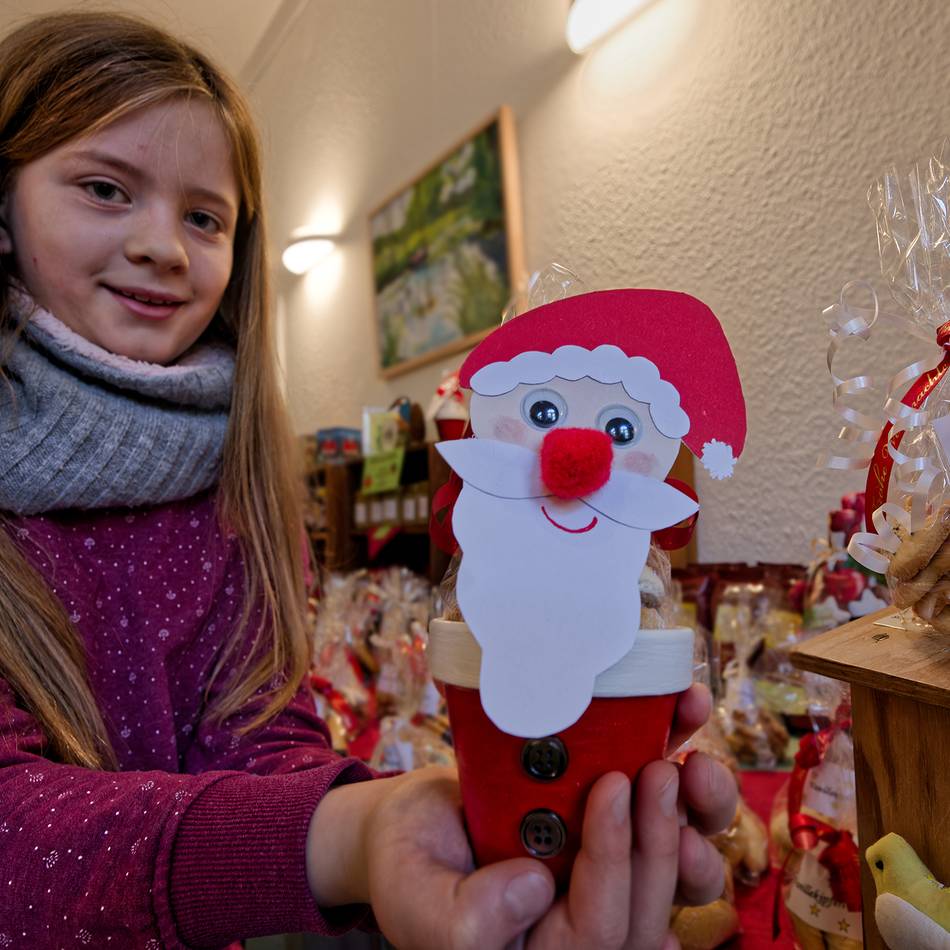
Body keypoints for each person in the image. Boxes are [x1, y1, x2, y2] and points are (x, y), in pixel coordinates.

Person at [0, 12, 737, 949]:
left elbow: (260, 740)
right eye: (106, 189)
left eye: (204, 216)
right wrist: (350, 835)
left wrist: (443, 829)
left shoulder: (238, 494)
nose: (165, 247)